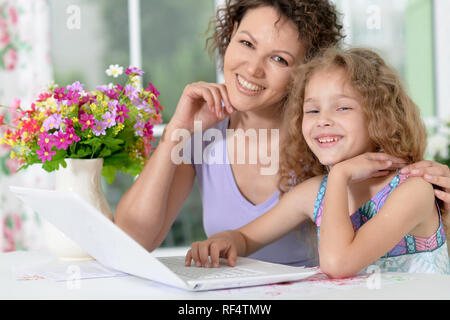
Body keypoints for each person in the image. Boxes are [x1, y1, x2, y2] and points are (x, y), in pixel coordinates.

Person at [115, 0, 345, 268]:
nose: (253, 68)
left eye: (279, 59)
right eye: (247, 43)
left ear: (306, 70)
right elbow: (130, 241)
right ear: (232, 33)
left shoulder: (323, 138)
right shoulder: (204, 136)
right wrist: (176, 132)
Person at [184, 48, 450, 277]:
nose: (323, 119)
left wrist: (339, 175)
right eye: (312, 110)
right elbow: (245, 238)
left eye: (342, 107)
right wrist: (223, 241)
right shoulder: (315, 193)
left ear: (381, 117)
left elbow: (337, 263)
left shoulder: (413, 190)